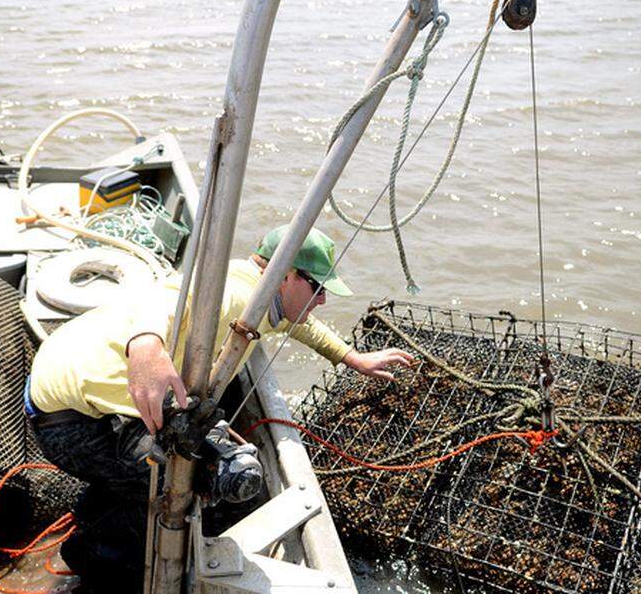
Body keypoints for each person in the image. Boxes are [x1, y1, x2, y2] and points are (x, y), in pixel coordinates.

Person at [26, 224, 414, 591]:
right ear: (286, 275)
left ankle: (97, 510)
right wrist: (146, 343)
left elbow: (301, 323)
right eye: (316, 287)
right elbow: (167, 297)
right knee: (191, 480)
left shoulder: (260, 294)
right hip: (70, 418)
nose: (323, 299)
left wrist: (351, 357)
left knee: (178, 456)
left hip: (69, 374)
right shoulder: (235, 294)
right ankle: (91, 556)